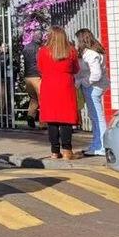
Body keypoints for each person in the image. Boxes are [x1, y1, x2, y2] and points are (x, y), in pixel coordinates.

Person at [37, 26, 82, 160]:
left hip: (49, 86)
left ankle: (54, 151)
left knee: (52, 120)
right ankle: (67, 150)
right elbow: (76, 69)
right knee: (66, 120)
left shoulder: (43, 51)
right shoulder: (71, 51)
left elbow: (40, 68)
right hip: (65, 86)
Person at [75, 28, 109, 156]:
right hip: (95, 87)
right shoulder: (96, 51)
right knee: (95, 117)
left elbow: (96, 75)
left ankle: (101, 146)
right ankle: (96, 144)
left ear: (82, 40)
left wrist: (82, 82)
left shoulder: (90, 54)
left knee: (97, 117)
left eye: (78, 40)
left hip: (93, 87)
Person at [22, 29, 43, 129]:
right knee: (42, 98)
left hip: (27, 76)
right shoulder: (39, 48)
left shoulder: (26, 47)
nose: (41, 38)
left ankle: (30, 116)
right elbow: (39, 62)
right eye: (41, 36)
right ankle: (43, 123)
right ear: (38, 37)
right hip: (37, 76)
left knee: (34, 98)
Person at [0, 42, 12, 124]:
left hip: (8, 80)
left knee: (8, 99)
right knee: (1, 99)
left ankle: (7, 118)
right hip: (0, 80)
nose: (6, 48)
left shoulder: (10, 56)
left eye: (6, 46)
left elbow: (16, 67)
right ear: (0, 47)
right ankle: (1, 117)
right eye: (4, 46)